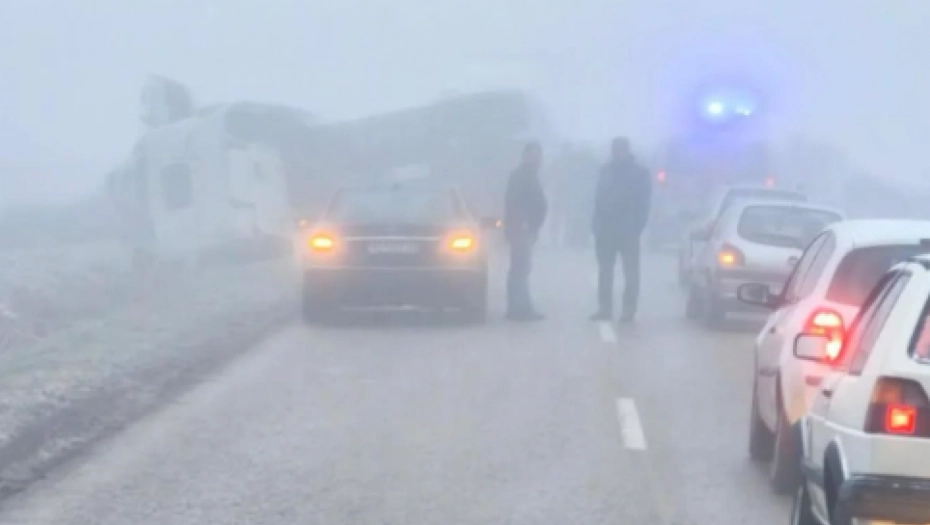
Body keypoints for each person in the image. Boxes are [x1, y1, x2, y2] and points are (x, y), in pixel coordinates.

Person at [590, 137, 652, 322]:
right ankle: (604, 309)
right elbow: (598, 199)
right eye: (614, 149)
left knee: (631, 273)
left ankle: (628, 310)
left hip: (628, 230)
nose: (616, 153)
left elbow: (644, 203)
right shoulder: (605, 171)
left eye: (619, 149)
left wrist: (637, 226)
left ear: (627, 150)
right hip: (605, 230)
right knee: (605, 272)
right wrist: (596, 224)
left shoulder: (640, 174)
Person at [504, 142, 547, 321]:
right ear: (525, 156)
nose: (537, 159)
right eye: (533, 155)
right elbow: (513, 202)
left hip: (527, 228)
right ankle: (518, 309)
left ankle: (521, 307)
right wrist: (521, 223)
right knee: (520, 269)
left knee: (522, 268)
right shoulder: (520, 175)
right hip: (520, 228)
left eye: (539, 155)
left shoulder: (531, 175)